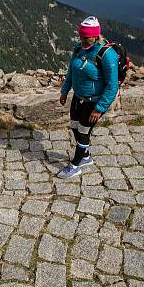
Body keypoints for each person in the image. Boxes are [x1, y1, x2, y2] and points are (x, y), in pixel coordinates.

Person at [57, 16, 119, 180]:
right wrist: (65, 90)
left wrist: (99, 108)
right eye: (82, 37)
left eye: (87, 37)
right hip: (78, 98)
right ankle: (86, 156)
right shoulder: (79, 48)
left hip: (94, 101)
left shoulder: (106, 55)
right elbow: (72, 70)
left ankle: (75, 165)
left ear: (96, 35)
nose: (84, 40)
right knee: (75, 127)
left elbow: (113, 86)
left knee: (84, 132)